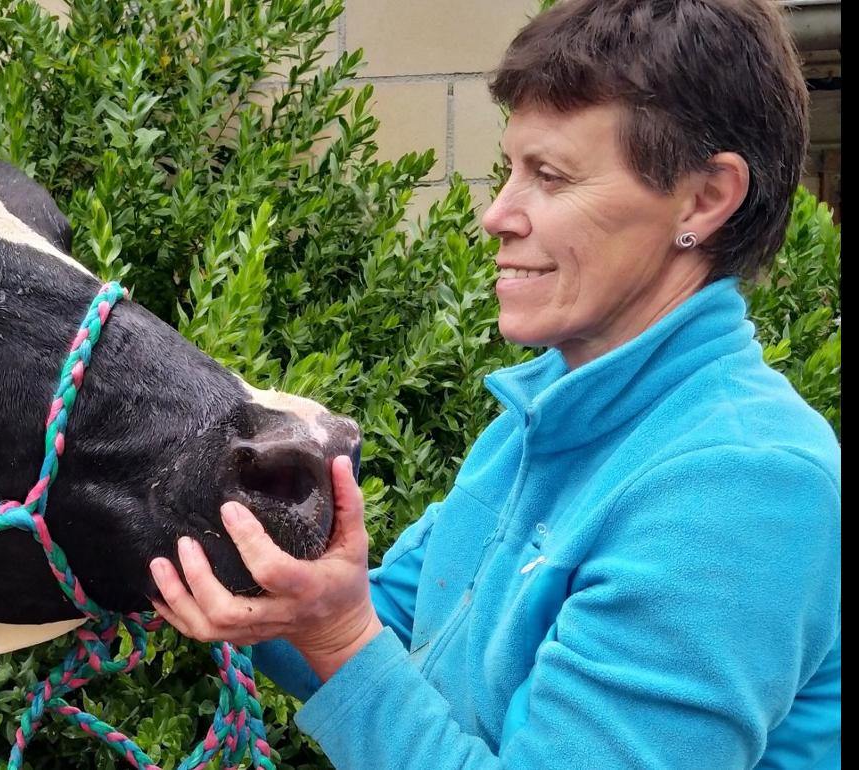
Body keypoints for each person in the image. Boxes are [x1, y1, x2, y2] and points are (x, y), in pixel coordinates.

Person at [147, 0, 842, 767]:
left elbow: (353, 637)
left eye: (550, 175)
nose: (496, 215)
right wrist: (161, 536)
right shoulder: (546, 413)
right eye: (510, 168)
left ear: (705, 199)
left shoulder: (742, 487)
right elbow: (397, 623)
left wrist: (336, 636)